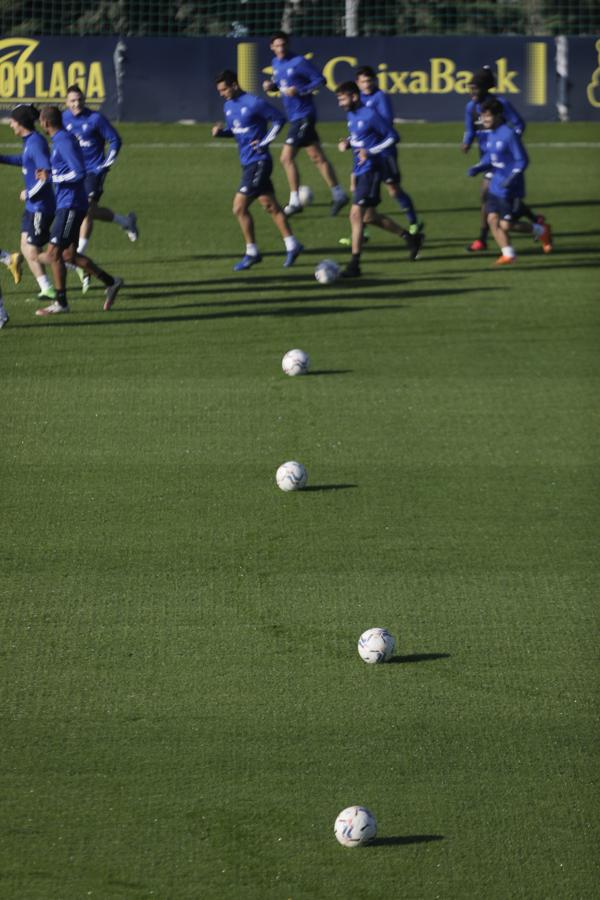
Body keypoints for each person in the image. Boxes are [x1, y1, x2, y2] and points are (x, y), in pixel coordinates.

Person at [34, 105, 123, 316]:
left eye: (40, 121)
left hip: (71, 205)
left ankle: (61, 302)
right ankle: (111, 282)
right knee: (68, 255)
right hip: (69, 203)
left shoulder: (63, 140)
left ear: (46, 123)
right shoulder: (60, 139)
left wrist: (52, 178)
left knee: (53, 254)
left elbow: (79, 173)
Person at [212, 69, 303, 271]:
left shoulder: (254, 103)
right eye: (219, 90)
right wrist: (222, 133)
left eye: (224, 89)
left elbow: (279, 119)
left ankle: (252, 252)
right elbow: (237, 132)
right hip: (247, 163)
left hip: (259, 162)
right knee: (270, 206)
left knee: (239, 207)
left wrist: (264, 141)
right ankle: (292, 245)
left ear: (235, 85)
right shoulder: (228, 106)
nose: (221, 93)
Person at [336, 81, 424, 278]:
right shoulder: (351, 115)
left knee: (356, 215)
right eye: (339, 100)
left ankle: (355, 264)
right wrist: (347, 143)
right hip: (359, 171)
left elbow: (393, 137)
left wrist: (371, 152)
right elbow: (359, 138)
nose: (340, 103)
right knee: (369, 217)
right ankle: (410, 238)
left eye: (343, 99)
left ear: (354, 96)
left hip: (371, 170)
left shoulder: (370, 114)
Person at [262, 31, 348, 217]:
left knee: (286, 158)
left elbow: (320, 80)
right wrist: (272, 86)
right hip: (295, 116)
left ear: (288, 44)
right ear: (272, 47)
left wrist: (301, 90)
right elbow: (282, 84)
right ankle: (339, 194)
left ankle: (294, 202)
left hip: (304, 116)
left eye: (283, 44)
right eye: (277, 45)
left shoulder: (299, 61)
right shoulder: (276, 63)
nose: (281, 48)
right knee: (317, 157)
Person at [63, 84, 137, 291]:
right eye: (72, 101)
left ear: (84, 100)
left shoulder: (95, 119)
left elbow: (115, 140)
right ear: (66, 103)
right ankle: (126, 221)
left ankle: (77, 255)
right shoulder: (64, 119)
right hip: (72, 172)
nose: (77, 103)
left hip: (94, 171)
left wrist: (107, 163)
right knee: (90, 211)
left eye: (79, 99)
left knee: (86, 209)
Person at [462, 66, 543, 252]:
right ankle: (534, 220)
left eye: (475, 88)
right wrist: (467, 142)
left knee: (488, 194)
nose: (471, 92)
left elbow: (519, 124)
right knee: (497, 195)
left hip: (503, 159)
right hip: (486, 157)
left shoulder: (499, 104)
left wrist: (508, 142)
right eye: (469, 88)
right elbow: (470, 129)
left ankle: (483, 239)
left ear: (485, 88)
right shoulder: (470, 108)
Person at [467, 98, 552, 265]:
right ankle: (508, 254)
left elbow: (522, 161)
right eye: (482, 117)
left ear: (498, 115)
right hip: (495, 186)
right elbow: (490, 158)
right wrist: (478, 167)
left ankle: (541, 230)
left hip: (510, 189)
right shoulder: (489, 134)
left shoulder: (509, 135)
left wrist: (511, 178)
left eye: (487, 116)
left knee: (506, 225)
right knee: (492, 220)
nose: (484, 120)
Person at [0, 104, 57, 301]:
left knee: (33, 252)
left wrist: (30, 193)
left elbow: (47, 175)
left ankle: (75, 264)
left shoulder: (35, 143)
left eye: (12, 122)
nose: (10, 126)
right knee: (25, 247)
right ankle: (47, 288)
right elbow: (25, 161)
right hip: (33, 206)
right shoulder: (29, 142)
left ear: (21, 123)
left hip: (40, 206)